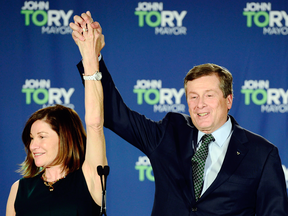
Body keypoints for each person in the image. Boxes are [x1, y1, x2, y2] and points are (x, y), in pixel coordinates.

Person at [70, 12, 288, 216]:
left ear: (228, 100)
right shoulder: (171, 133)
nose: (199, 105)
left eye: (209, 95)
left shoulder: (262, 154)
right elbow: (114, 114)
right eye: (193, 97)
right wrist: (92, 56)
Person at [6, 14, 107, 216]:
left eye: (42, 137)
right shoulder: (19, 189)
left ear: (65, 137)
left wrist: (90, 58)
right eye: (32, 138)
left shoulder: (88, 179)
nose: (33, 146)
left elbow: (95, 123)